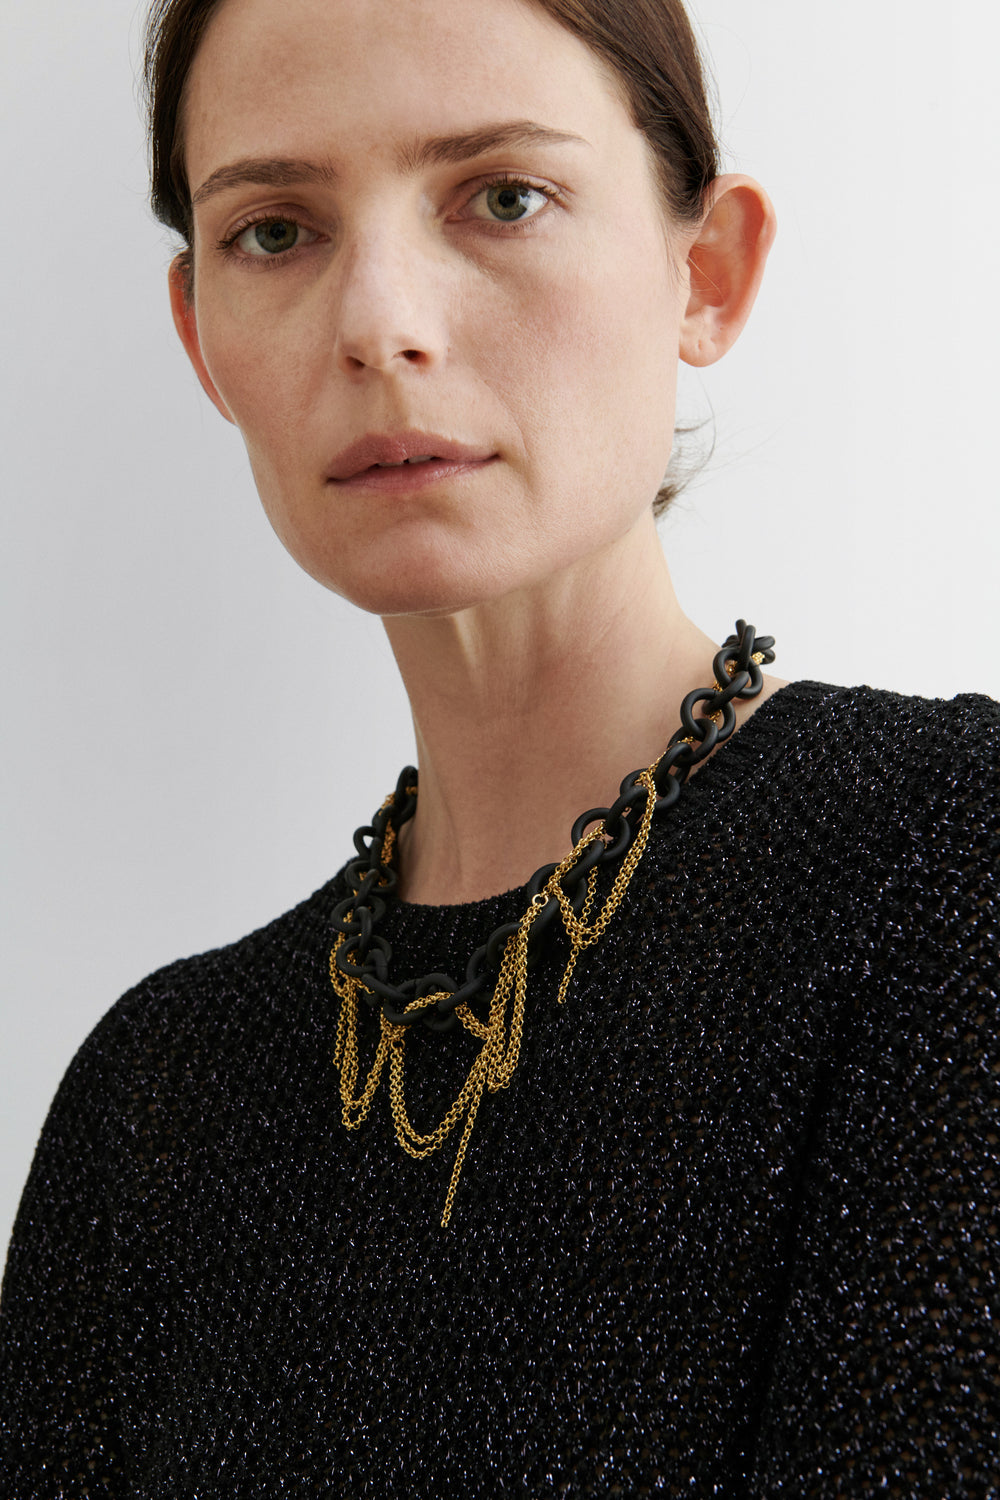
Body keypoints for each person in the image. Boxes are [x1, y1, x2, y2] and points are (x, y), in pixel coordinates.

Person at [1, 0, 997, 1492]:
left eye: (506, 197)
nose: (378, 323)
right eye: (275, 231)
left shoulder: (942, 866)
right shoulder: (152, 1099)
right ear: (202, 337)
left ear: (706, 273)